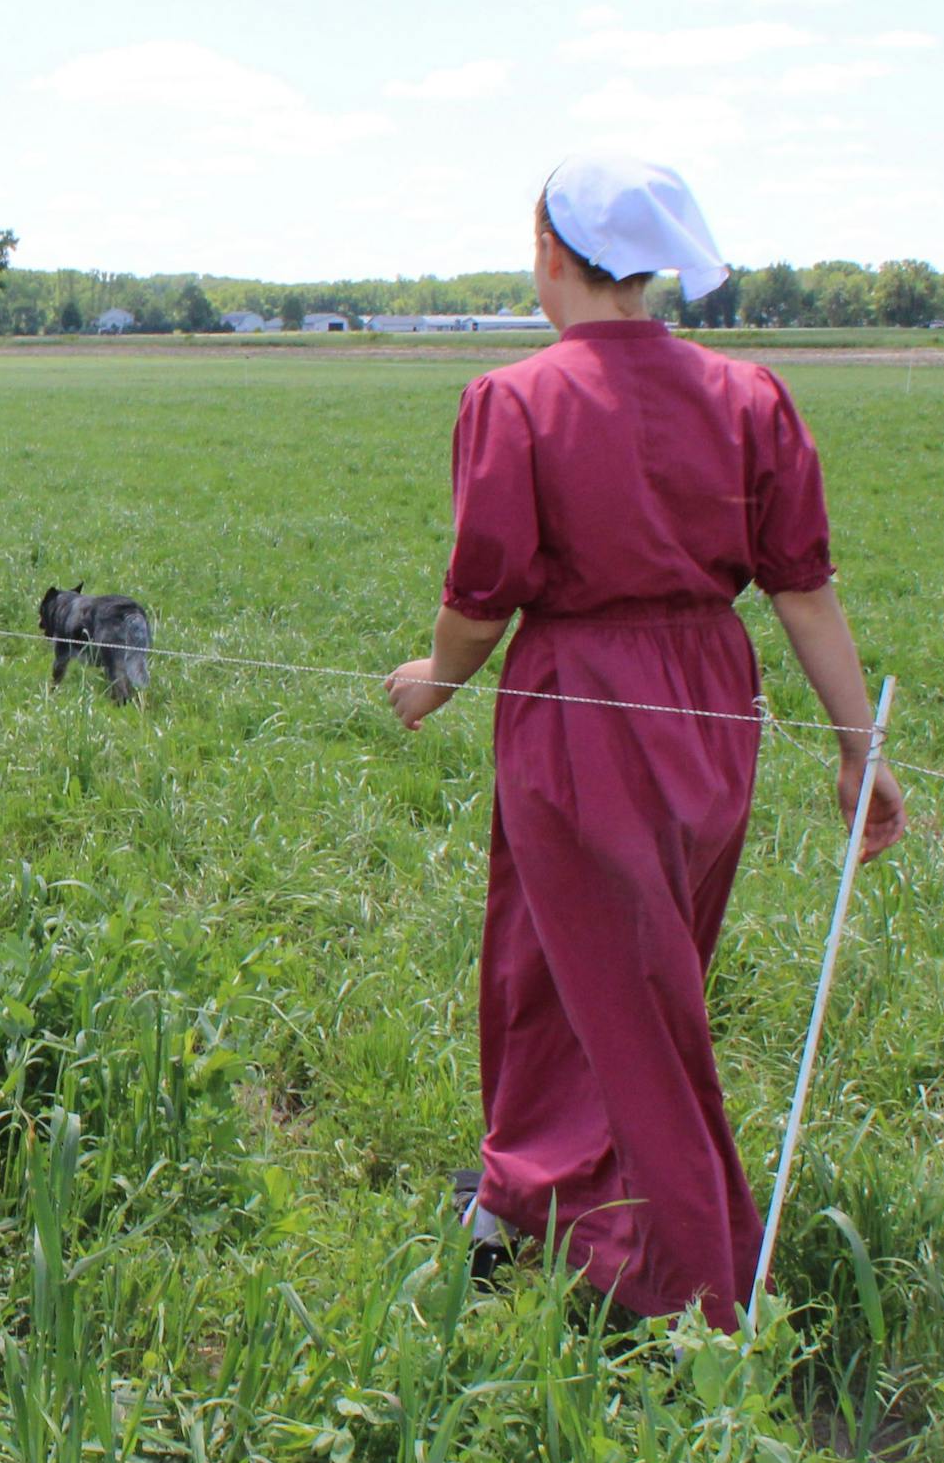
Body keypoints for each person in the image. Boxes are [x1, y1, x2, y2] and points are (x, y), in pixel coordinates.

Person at [385, 155, 902, 1330]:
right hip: (712, 710)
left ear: (553, 254)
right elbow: (804, 590)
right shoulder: (747, 394)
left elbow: (482, 594)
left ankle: (693, 1280)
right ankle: (524, 1195)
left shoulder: (518, 399)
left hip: (582, 704)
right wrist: (853, 744)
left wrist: (437, 682)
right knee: (555, 962)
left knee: (620, 993)